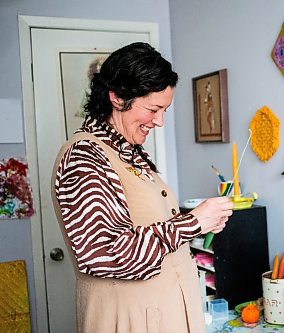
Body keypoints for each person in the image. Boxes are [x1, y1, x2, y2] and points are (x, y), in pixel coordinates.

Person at [51, 42, 233, 333]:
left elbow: (148, 226)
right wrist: (191, 223)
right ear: (117, 97)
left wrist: (201, 223)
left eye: (164, 110)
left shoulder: (127, 152)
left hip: (162, 314)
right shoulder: (85, 157)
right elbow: (105, 252)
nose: (159, 121)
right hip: (128, 320)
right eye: (153, 109)